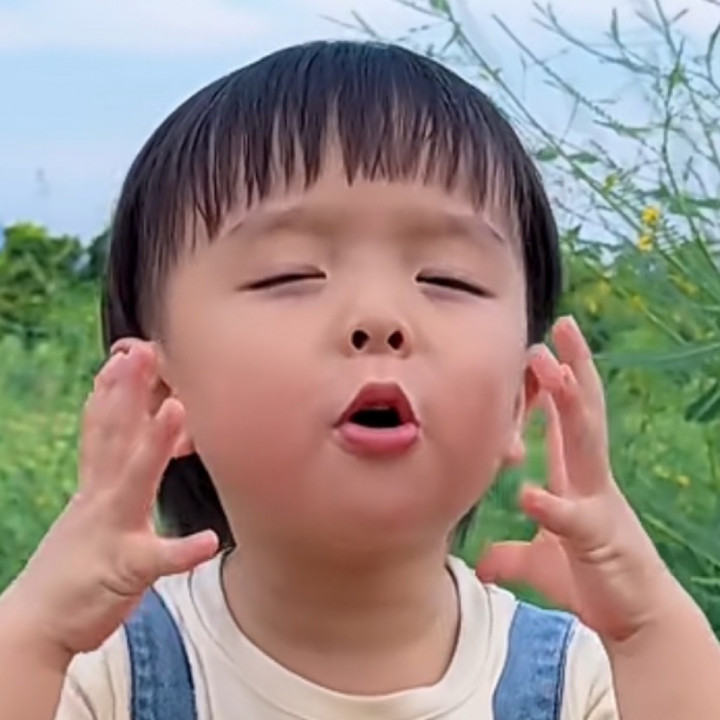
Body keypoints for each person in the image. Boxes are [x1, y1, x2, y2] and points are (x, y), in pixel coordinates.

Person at [1, 40, 718, 720]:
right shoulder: (99, 674)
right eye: (289, 275)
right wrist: (35, 628)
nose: (379, 317)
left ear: (517, 403)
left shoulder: (583, 682)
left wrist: (648, 627)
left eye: (449, 279)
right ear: (161, 395)